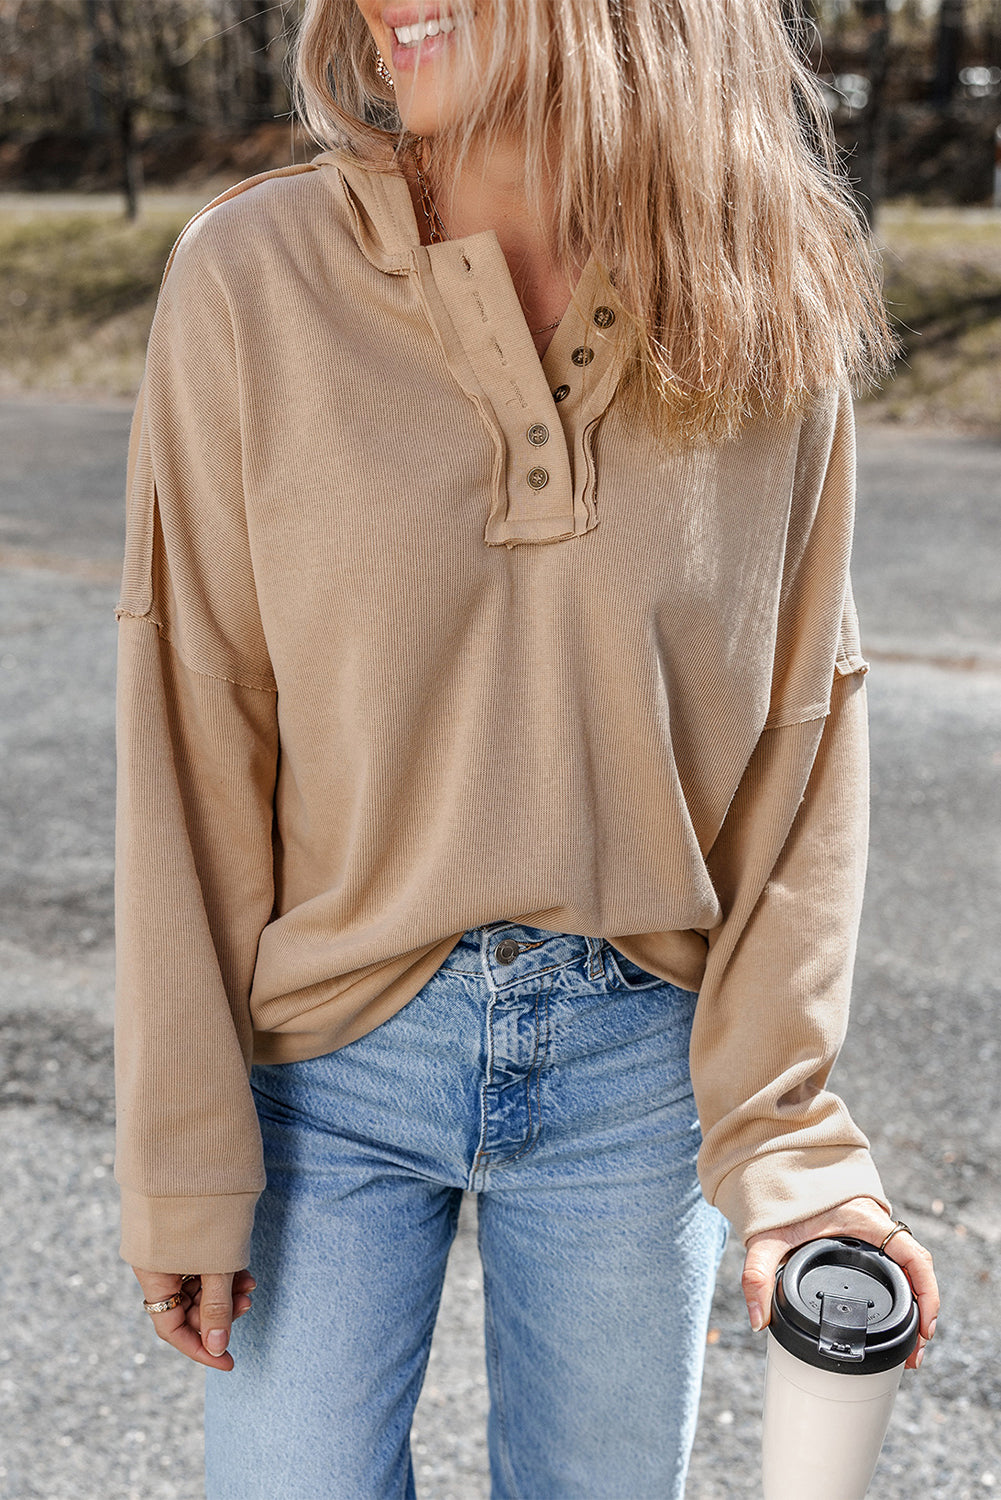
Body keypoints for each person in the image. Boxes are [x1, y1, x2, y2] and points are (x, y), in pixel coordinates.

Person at [115, 1, 940, 1495]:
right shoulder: (250, 281)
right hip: (327, 1065)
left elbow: (801, 751)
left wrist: (790, 1144)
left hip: (641, 1070)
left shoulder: (767, 294)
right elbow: (191, 723)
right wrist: (184, 1150)